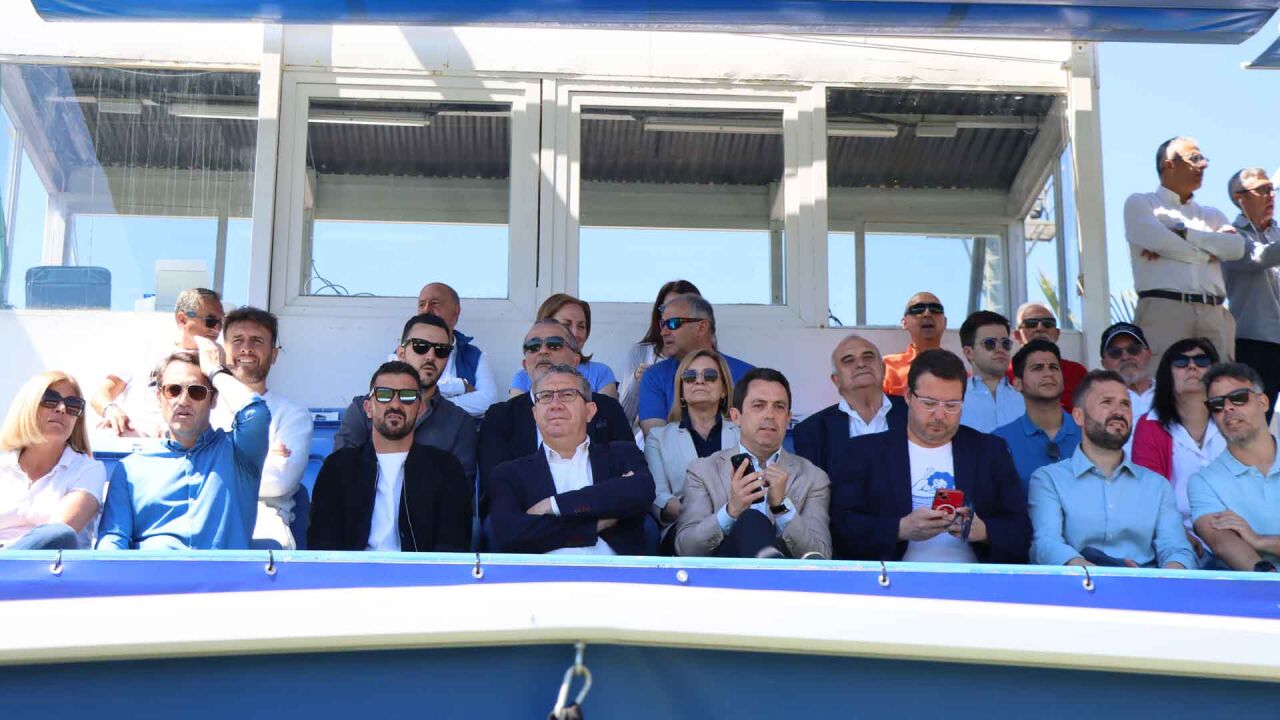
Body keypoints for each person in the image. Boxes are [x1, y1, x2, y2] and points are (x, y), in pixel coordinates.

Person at [830, 349, 1030, 563]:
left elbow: (1021, 531)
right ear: (908, 396)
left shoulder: (990, 451)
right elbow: (842, 528)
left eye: (951, 405)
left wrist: (984, 531)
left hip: (972, 579)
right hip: (893, 580)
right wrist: (900, 529)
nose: (940, 415)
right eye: (929, 403)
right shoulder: (865, 453)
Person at [97, 337, 270, 550]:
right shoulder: (130, 468)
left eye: (196, 391)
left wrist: (215, 371)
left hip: (221, 572)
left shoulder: (238, 454)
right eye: (173, 390)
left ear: (213, 399)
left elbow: (255, 414)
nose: (183, 400)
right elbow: (112, 541)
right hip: (154, 571)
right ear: (159, 397)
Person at [1029, 370, 1195, 569]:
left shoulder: (1157, 485)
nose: (1119, 411)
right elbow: (1046, 543)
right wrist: (1086, 570)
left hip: (1143, 583)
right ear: (1079, 416)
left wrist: (1164, 579)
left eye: (1125, 404)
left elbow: (1177, 549)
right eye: (1106, 402)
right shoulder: (1049, 479)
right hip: (1080, 582)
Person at [488, 365, 654, 555]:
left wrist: (554, 505)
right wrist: (594, 524)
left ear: (589, 411)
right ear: (535, 414)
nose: (555, 404)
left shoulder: (621, 454)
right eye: (546, 396)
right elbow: (511, 535)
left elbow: (641, 491)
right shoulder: (510, 473)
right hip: (544, 573)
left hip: (616, 571)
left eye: (567, 395)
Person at [308, 361, 471, 552]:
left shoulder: (445, 469)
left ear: (420, 409)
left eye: (407, 396)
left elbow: (453, 545)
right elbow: (322, 543)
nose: (395, 404)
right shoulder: (338, 468)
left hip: (420, 571)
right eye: (384, 395)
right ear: (368, 408)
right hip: (355, 570)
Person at [675, 368, 831, 559]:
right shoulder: (703, 471)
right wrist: (731, 511)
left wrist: (782, 508)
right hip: (727, 574)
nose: (770, 415)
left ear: (788, 419)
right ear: (736, 417)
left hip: (788, 576)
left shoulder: (813, 477)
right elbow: (686, 549)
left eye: (779, 407)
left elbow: (821, 555)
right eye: (759, 405)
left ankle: (769, 567)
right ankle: (769, 566)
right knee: (750, 519)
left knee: (753, 519)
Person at [478, 321, 632, 510]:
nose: (543, 351)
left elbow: (630, 479)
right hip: (527, 518)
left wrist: (563, 507)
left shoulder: (607, 408)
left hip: (603, 513)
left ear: (576, 360)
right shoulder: (500, 416)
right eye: (533, 346)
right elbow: (497, 489)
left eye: (554, 344)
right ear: (525, 365)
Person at [1124, 136, 1243, 362]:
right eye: (1194, 158)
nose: (1203, 165)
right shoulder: (1141, 203)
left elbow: (1236, 248)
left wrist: (1183, 233)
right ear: (1168, 164)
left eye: (1203, 158)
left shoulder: (1212, 214)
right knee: (1160, 380)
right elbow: (1157, 239)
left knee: (1221, 381)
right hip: (1164, 310)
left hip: (1214, 313)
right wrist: (1208, 253)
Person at [333, 313, 477, 489]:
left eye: (441, 350)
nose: (431, 356)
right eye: (421, 347)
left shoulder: (460, 423)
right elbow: (340, 475)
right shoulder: (363, 409)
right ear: (401, 353)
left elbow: (459, 493)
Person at [210, 307, 312, 550]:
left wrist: (213, 461)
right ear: (224, 351)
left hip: (265, 525)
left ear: (273, 354)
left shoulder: (293, 415)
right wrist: (259, 461)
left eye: (257, 341)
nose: (246, 348)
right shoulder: (203, 405)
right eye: (238, 340)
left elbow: (278, 482)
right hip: (206, 514)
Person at [1131, 338, 1222, 566]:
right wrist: (1179, 533)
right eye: (1181, 362)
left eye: (1201, 360)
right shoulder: (1150, 425)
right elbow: (1149, 495)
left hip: (1238, 532)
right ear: (1166, 375)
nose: (1192, 367)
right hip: (1177, 537)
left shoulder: (1231, 418)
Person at [91, 287, 224, 437]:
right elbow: (101, 395)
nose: (217, 328)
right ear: (182, 319)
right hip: (133, 443)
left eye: (221, 322)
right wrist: (111, 410)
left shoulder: (218, 361)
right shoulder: (145, 351)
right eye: (211, 321)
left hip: (185, 447)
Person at [643, 349, 741, 553]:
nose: (699, 381)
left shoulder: (742, 433)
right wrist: (699, 513)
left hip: (737, 525)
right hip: (684, 530)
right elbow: (657, 495)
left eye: (710, 375)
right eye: (689, 376)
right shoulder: (658, 438)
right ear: (681, 390)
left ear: (724, 390)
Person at [1188, 363, 1280, 572]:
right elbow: (1223, 544)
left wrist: (1260, 541)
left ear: (1263, 402)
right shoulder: (1204, 482)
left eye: (1239, 397)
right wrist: (1271, 583)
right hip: (1258, 589)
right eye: (1216, 404)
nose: (1228, 408)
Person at [0, 372, 106, 550]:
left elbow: (56, 535)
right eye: (50, 399)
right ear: (27, 406)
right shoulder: (3, 466)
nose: (61, 408)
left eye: (73, 405)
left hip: (49, 564)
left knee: (58, 534)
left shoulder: (88, 470)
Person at [637, 293, 754, 435]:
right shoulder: (654, 376)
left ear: (701, 327)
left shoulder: (750, 377)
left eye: (673, 323)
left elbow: (758, 436)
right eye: (662, 324)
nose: (663, 332)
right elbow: (656, 439)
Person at [794, 334, 906, 478]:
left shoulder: (914, 414)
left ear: (883, 369)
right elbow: (812, 488)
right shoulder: (812, 431)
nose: (861, 364)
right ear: (836, 380)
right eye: (848, 360)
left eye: (868, 356)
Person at [1222, 168, 1280, 421]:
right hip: (1254, 345)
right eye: (1262, 190)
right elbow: (1259, 258)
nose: (1271, 195)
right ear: (1240, 197)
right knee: (1256, 422)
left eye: (1272, 189)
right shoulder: (1229, 236)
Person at [993, 340, 1081, 493]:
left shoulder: (1090, 433)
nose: (1048, 373)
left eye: (1054, 367)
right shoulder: (999, 442)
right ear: (1018, 383)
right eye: (1037, 368)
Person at [620, 280, 701, 428]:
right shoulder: (640, 352)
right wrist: (636, 382)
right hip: (647, 439)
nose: (671, 314)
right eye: (666, 308)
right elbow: (622, 420)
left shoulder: (708, 360)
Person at [509, 294, 618, 398]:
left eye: (581, 326)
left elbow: (606, 410)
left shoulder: (601, 373)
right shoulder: (523, 377)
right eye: (566, 325)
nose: (575, 333)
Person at [416, 282, 499, 418]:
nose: (426, 310)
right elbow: (408, 392)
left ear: (456, 311)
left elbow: (489, 401)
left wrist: (431, 404)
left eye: (434, 303)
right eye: (421, 304)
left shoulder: (475, 356)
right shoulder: (404, 352)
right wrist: (460, 386)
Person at [1006, 302, 1087, 411]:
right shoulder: (1003, 374)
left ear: (1057, 334)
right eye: (1031, 324)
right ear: (1017, 335)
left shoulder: (1077, 373)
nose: (1040, 328)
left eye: (1048, 324)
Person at [958, 310, 1024, 432]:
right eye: (990, 343)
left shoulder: (1026, 399)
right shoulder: (955, 401)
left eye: (1005, 343)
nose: (1000, 349)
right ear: (968, 352)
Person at [883, 292, 946, 397]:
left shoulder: (958, 371)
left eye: (935, 309)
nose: (927, 313)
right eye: (918, 309)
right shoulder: (886, 367)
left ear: (945, 322)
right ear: (904, 323)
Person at [1100, 322, 1156, 421]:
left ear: (1149, 354)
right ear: (1104, 364)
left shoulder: (1173, 395)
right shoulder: (1097, 404)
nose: (1125, 357)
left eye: (1133, 349)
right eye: (1115, 353)